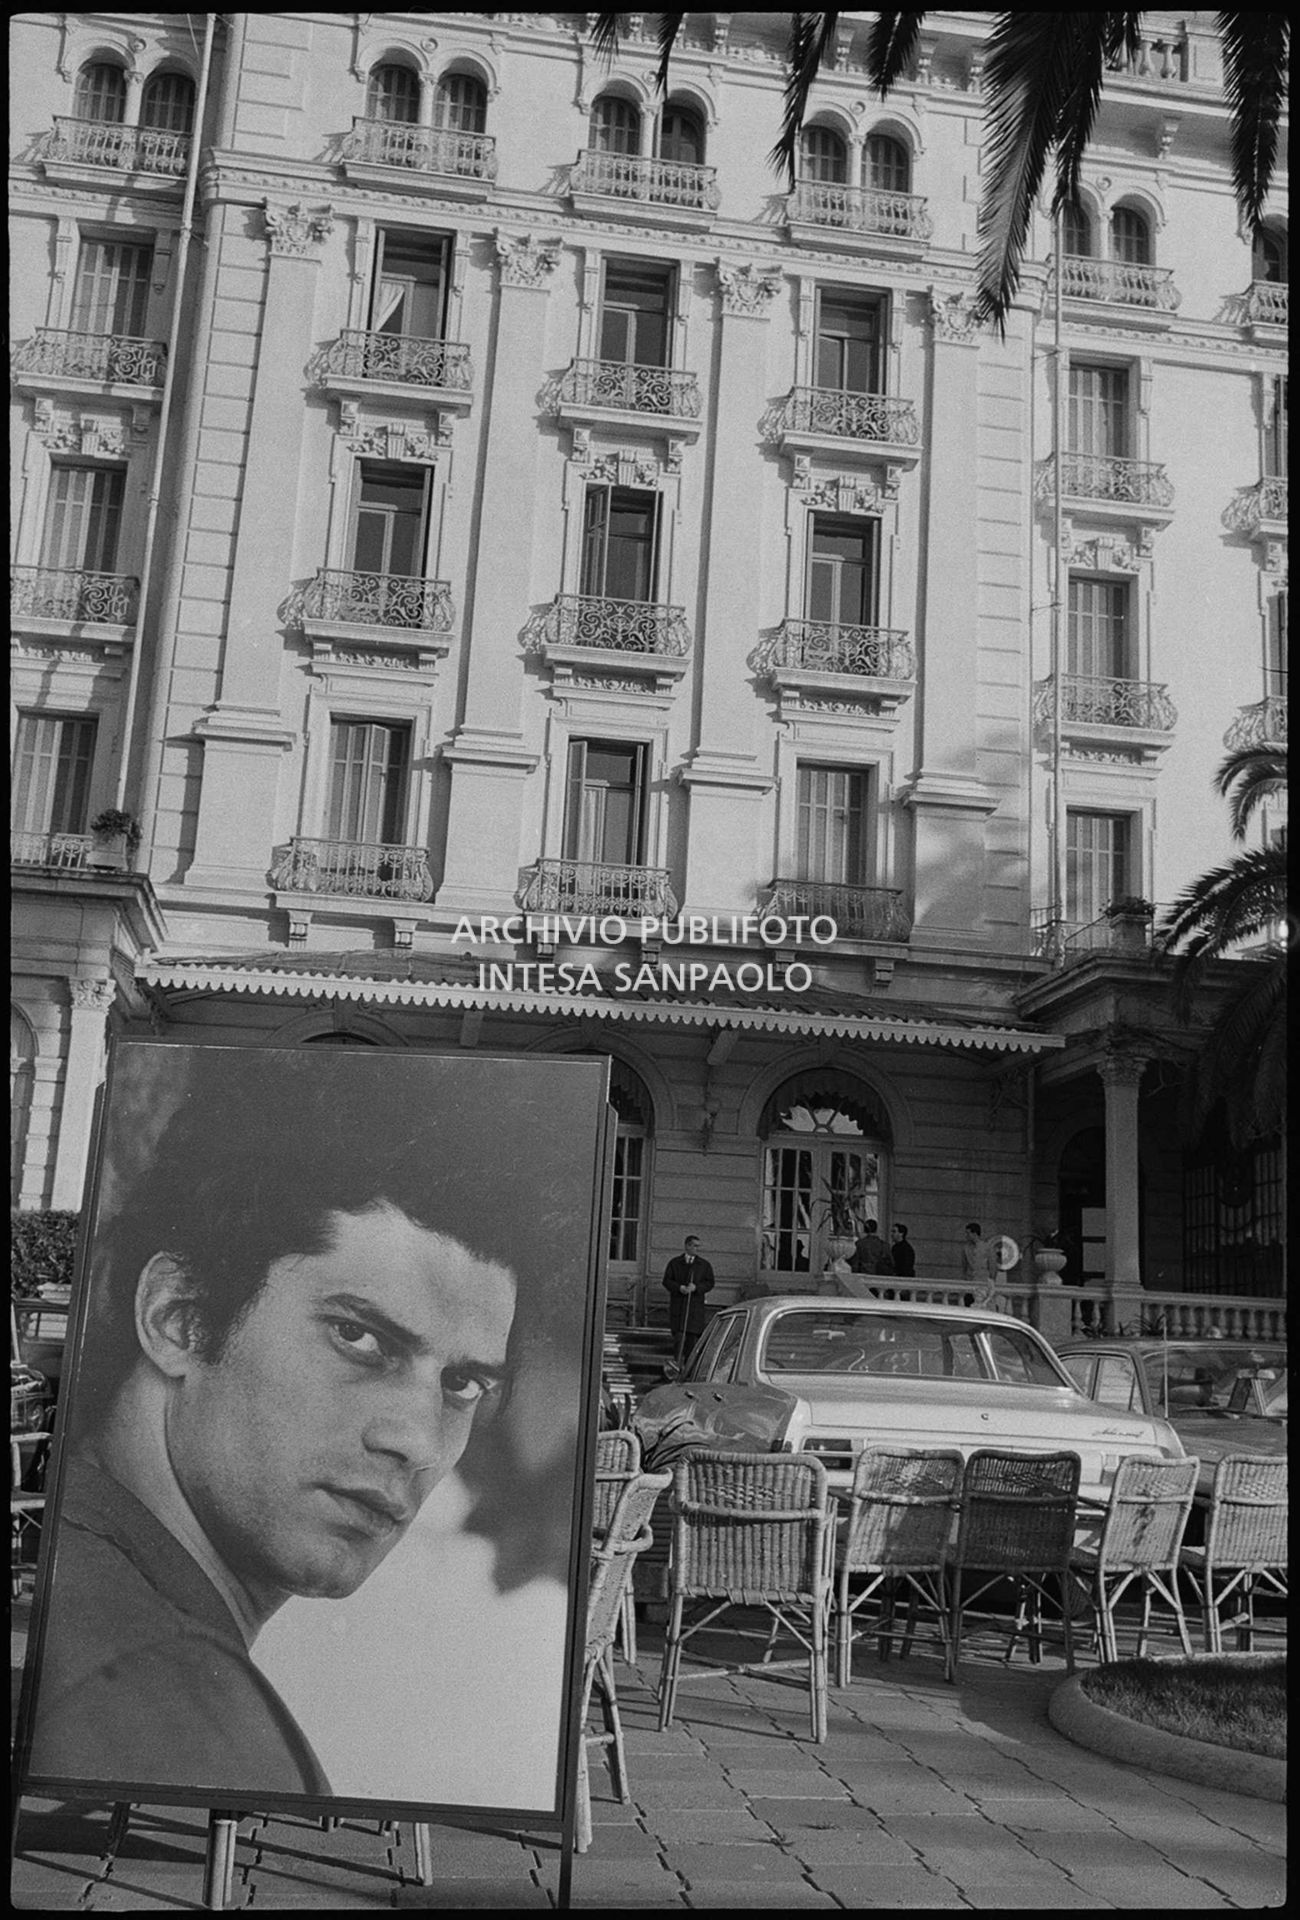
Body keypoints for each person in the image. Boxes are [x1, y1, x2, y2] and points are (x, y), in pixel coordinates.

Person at [25, 1052, 523, 1798]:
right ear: (179, 1318)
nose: (417, 1443)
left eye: (463, 1384)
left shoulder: (96, 1587)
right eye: (359, 1338)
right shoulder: (162, 1700)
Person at [662, 1235, 715, 1360]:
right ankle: (677, 1363)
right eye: (694, 1246)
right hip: (679, 1308)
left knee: (692, 1342)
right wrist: (679, 1287)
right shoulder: (675, 1263)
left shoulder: (704, 1265)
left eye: (698, 1246)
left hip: (694, 1309)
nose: (697, 1249)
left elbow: (710, 1283)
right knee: (679, 1340)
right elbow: (667, 1281)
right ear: (687, 1246)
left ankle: (688, 1367)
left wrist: (696, 1288)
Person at [961, 1221, 997, 1308]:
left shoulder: (987, 1247)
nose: (966, 1236)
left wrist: (991, 1283)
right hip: (970, 1283)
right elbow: (964, 1266)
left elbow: (992, 1266)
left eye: (968, 1233)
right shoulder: (965, 1248)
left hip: (983, 1284)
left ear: (974, 1234)